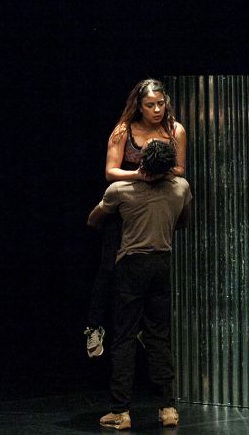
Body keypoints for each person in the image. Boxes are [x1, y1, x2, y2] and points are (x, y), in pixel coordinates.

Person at [87, 139, 191, 430]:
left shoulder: (120, 190)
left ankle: (121, 411)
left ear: (142, 163)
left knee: (125, 336)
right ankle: (167, 408)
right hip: (162, 263)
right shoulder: (181, 187)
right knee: (159, 335)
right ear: (169, 167)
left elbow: (93, 220)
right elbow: (184, 222)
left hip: (131, 265)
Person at [84, 79, 186, 358]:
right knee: (110, 266)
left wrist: (160, 173)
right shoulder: (124, 131)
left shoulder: (174, 129)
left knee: (148, 269)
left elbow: (180, 168)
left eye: (161, 104)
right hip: (126, 201)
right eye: (150, 105)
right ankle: (94, 326)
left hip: (154, 202)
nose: (157, 110)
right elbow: (110, 171)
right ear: (139, 106)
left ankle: (141, 326)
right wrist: (140, 175)